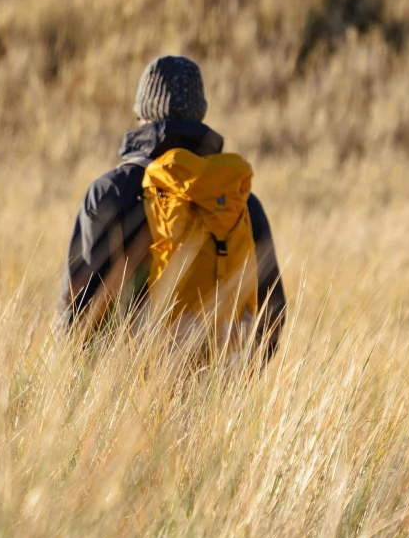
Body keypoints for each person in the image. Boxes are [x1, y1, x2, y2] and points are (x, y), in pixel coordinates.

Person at [59, 54, 286, 357]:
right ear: (199, 114)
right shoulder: (238, 197)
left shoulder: (112, 191)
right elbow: (273, 312)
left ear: (143, 112)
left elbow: (77, 311)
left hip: (131, 384)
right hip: (221, 382)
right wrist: (240, 385)